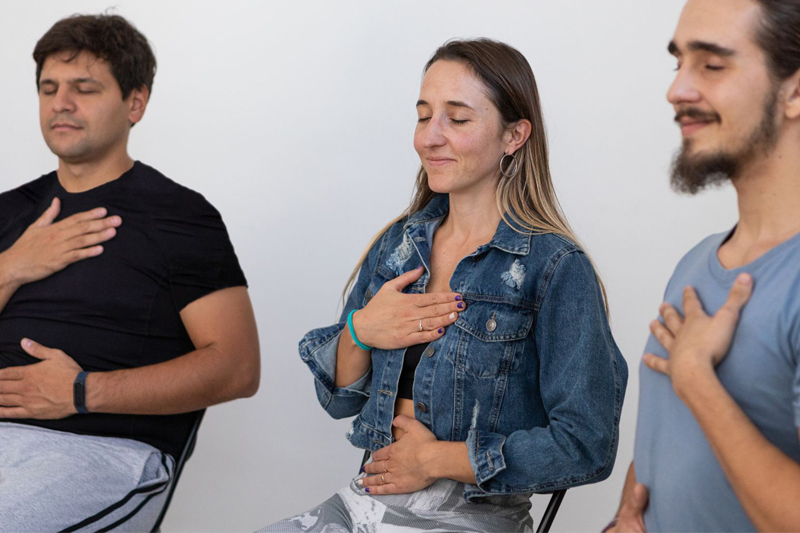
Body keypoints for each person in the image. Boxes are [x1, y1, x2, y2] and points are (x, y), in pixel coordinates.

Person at [261, 38, 627, 532]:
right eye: (423, 116)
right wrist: (361, 331)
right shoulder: (399, 245)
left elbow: (586, 444)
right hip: (368, 502)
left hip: (471, 516)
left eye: (456, 119)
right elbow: (338, 401)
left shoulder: (555, 267)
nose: (429, 138)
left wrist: (434, 460)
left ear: (514, 135)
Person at [0, 14, 260, 532]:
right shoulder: (9, 212)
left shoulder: (180, 216)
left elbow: (237, 368)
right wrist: (11, 267)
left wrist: (81, 391)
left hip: (98, 451)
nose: (60, 103)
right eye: (49, 89)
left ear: (135, 103)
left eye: (84, 88)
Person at [606, 0, 800, 531]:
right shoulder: (696, 263)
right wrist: (625, 518)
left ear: (794, 92)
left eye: (712, 64)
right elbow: (666, 438)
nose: (677, 90)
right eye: (679, 63)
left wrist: (696, 379)